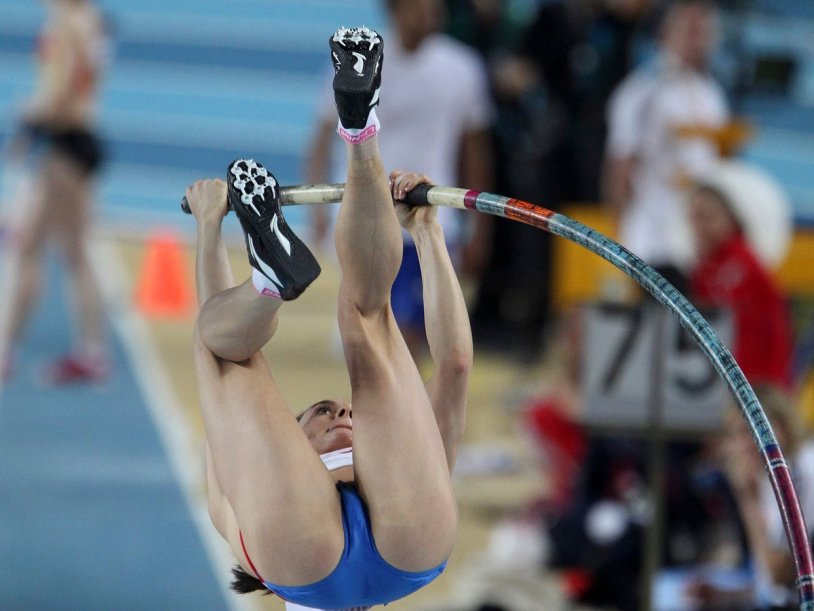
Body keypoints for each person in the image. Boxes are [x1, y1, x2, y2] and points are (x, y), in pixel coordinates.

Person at [186, 27, 472, 610]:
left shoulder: (241, 502)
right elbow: (457, 363)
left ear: (284, 439)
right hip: (403, 545)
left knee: (229, 354)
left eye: (322, 413)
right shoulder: (413, 456)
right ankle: (361, 132)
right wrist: (428, 234)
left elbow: (226, 391)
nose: (343, 413)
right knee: (368, 318)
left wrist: (210, 229)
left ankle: (269, 282)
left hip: (308, 557)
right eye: (339, 411)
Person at [306, 0, 493, 362]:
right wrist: (318, 212)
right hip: (373, 219)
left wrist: (480, 227)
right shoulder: (357, 65)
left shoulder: (462, 68)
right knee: (384, 335)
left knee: (428, 335)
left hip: (434, 219)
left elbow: (475, 151)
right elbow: (321, 138)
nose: (432, 15)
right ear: (395, 10)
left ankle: (411, 411)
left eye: (437, 8)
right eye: (420, 8)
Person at [0, 0, 109, 384]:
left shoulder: (68, 21)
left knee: (25, 246)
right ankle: (91, 351)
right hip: (75, 142)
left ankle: (6, 349)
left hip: (61, 146)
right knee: (74, 251)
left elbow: (62, 92)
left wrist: (29, 117)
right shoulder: (89, 19)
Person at [603, 0, 729, 293]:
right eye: (690, 30)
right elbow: (620, 166)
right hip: (653, 238)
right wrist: (619, 240)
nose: (698, 40)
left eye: (705, 32)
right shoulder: (642, 90)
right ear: (666, 33)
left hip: (696, 241)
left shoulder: (712, 94)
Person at [687, 174, 794, 390]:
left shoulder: (742, 262)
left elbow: (774, 327)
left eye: (708, 217)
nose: (701, 226)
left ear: (730, 217)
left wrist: (775, 381)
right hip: (721, 382)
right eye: (695, 218)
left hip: (755, 380)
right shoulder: (703, 267)